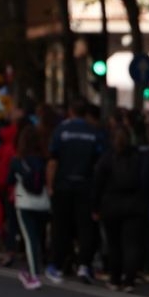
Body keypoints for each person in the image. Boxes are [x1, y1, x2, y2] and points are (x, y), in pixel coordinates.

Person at [46, 98, 106, 284]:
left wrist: (50, 186)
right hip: (85, 186)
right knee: (85, 227)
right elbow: (99, 164)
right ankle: (84, 265)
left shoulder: (61, 130)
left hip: (63, 185)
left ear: (70, 111)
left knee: (60, 226)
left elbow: (53, 161)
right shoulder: (93, 132)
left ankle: (57, 265)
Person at [93, 125, 149, 292]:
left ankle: (115, 278)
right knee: (131, 244)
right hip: (133, 206)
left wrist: (95, 206)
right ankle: (129, 280)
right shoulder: (138, 157)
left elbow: (98, 184)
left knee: (114, 244)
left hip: (111, 205)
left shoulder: (107, 158)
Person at [8, 125, 52, 289]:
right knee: (38, 238)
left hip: (24, 202)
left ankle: (34, 275)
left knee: (29, 238)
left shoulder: (17, 160)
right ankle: (31, 268)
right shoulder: (45, 160)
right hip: (43, 203)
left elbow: (9, 180)